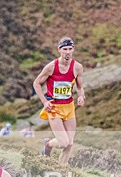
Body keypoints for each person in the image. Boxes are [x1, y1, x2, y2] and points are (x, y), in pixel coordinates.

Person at [33, 36, 85, 165]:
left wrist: (81, 96)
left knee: (70, 144)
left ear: (73, 49)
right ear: (59, 50)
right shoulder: (51, 67)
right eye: (65, 49)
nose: (68, 52)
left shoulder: (77, 67)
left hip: (69, 107)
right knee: (63, 142)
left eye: (70, 49)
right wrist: (45, 102)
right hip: (54, 107)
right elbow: (36, 83)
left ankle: (60, 170)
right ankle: (48, 144)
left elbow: (79, 87)